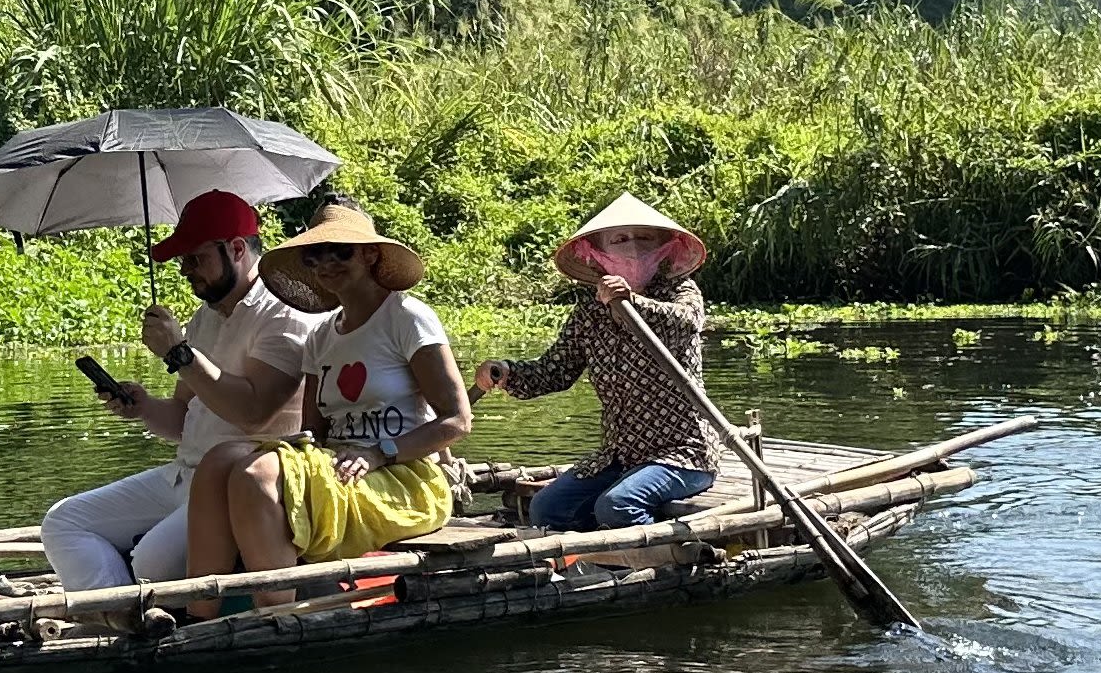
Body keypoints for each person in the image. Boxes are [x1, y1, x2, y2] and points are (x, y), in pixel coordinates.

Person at [178, 200, 471, 607]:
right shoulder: (320, 338)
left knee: (257, 476)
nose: (326, 264)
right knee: (219, 459)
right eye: (315, 256)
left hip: (404, 474)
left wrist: (378, 454)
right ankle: (200, 617)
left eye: (341, 251)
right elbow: (315, 434)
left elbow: (457, 420)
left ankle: (277, 618)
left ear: (370, 254)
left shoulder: (406, 318)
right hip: (344, 467)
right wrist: (295, 454)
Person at [38, 189, 318, 594]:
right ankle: (120, 616)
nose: (186, 270)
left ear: (237, 249)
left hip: (240, 489)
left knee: (151, 563)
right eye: (183, 260)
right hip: (184, 476)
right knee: (64, 521)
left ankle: (128, 605)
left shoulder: (284, 313)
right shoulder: (205, 316)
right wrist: (145, 407)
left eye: (195, 258)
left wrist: (179, 352)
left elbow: (255, 412)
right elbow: (184, 419)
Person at [479, 195, 719, 532]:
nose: (633, 248)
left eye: (644, 238)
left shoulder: (680, 291)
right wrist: (506, 372)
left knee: (619, 504)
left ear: (664, 247)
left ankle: (655, 563)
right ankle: (596, 561)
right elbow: (555, 371)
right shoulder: (589, 315)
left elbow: (684, 323)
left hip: (682, 452)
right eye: (620, 240)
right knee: (547, 508)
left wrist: (630, 303)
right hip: (619, 453)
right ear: (599, 254)